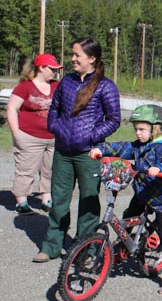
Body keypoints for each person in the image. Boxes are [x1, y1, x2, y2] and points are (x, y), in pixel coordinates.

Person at [33, 37, 120, 263]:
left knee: (89, 203)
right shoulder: (67, 81)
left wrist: (91, 135)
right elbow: (55, 108)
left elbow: (114, 120)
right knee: (59, 200)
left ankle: (85, 250)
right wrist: (56, 127)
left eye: (77, 55)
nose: (72, 59)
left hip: (89, 154)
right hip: (63, 151)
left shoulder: (106, 85)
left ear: (91, 59)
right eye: (72, 54)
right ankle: (52, 246)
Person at [89, 104, 162, 295]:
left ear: (155, 128)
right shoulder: (138, 146)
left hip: (160, 198)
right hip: (142, 193)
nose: (138, 133)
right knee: (128, 216)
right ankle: (125, 246)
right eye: (136, 129)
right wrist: (100, 149)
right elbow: (120, 147)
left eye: (142, 129)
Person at [7, 54, 62, 215]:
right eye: (52, 69)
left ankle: (46, 199)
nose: (54, 72)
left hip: (53, 137)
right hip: (29, 136)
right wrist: (16, 133)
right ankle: (21, 201)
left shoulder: (56, 85)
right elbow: (12, 108)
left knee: (50, 169)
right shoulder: (25, 87)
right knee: (26, 169)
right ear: (41, 68)